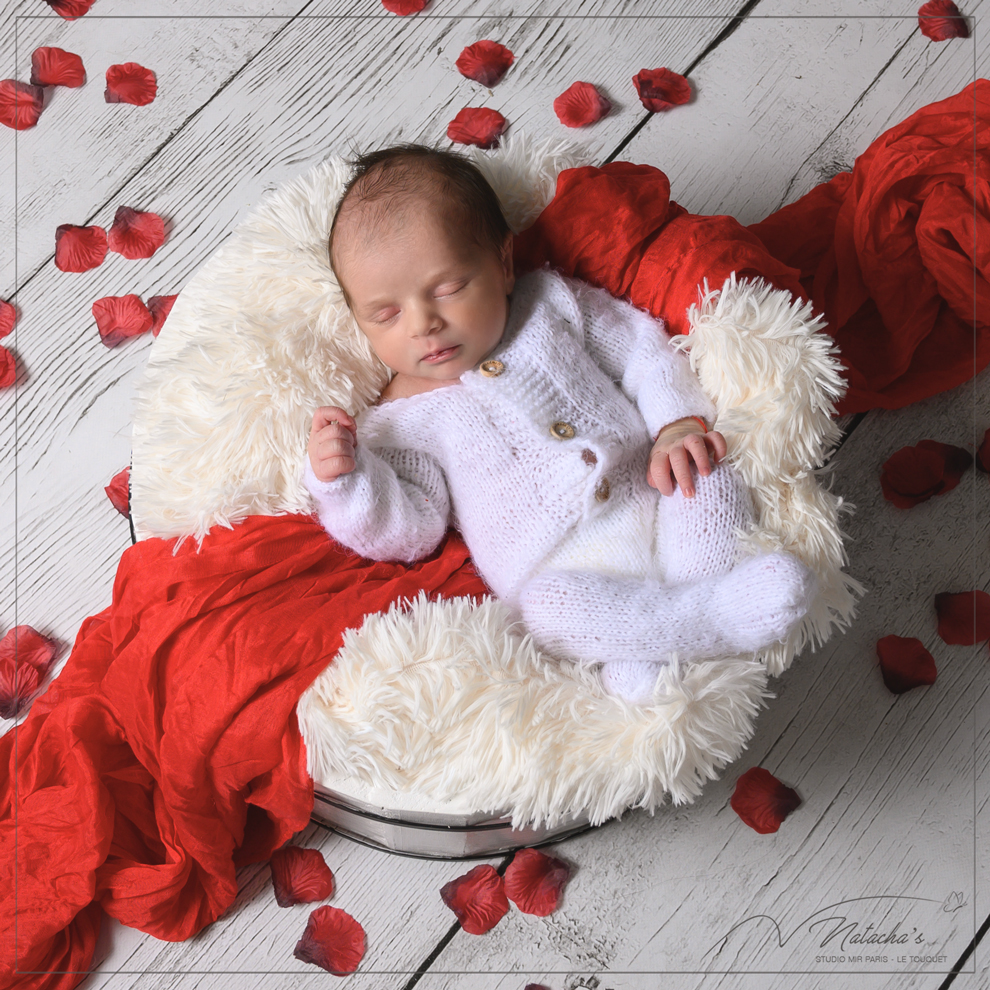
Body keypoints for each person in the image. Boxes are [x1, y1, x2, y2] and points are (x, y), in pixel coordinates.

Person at [303, 143, 817, 704]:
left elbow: (643, 351)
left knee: (706, 469)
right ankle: (714, 620)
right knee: (546, 608)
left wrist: (674, 427)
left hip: (650, 494)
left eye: (447, 288)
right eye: (386, 314)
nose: (424, 323)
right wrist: (346, 483)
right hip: (565, 570)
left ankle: (663, 641)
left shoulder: (549, 304)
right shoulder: (399, 422)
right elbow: (413, 529)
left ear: (501, 265)